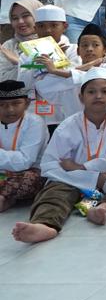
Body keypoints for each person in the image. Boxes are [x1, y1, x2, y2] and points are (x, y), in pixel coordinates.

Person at [12, 68, 106, 243]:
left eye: (104, 91)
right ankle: (45, 225)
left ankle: (102, 207)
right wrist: (93, 178)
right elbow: (50, 165)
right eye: (91, 92)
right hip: (74, 181)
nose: (98, 96)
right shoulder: (68, 126)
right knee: (55, 193)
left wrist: (84, 168)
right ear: (81, 97)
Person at [0, 79, 47, 211]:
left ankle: (4, 197)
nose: (9, 109)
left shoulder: (35, 122)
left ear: (26, 103)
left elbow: (25, 161)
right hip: (2, 174)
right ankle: (7, 198)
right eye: (2, 105)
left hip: (27, 173)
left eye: (16, 103)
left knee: (30, 179)